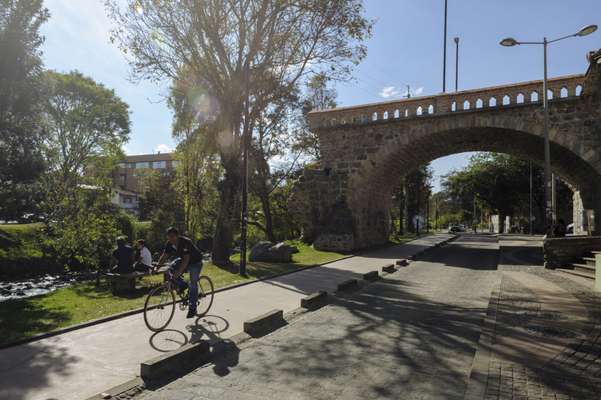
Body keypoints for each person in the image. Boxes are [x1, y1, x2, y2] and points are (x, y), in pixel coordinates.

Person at [157, 227, 203, 318]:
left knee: (193, 283)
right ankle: (183, 285)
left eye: (173, 236)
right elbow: (164, 256)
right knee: (170, 268)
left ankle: (192, 308)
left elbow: (186, 260)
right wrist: (157, 267)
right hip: (183, 259)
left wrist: (178, 273)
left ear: (177, 236)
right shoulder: (169, 244)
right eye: (169, 237)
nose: (171, 239)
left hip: (195, 262)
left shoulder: (185, 242)